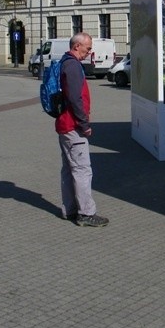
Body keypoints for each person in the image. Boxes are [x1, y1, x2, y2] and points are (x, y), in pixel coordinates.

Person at [56, 33, 109, 227]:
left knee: (69, 170)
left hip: (65, 125)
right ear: (77, 46)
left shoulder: (65, 62)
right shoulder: (72, 66)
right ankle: (86, 213)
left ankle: (70, 210)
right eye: (87, 48)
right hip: (73, 126)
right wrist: (84, 125)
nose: (89, 51)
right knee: (82, 170)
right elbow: (75, 99)